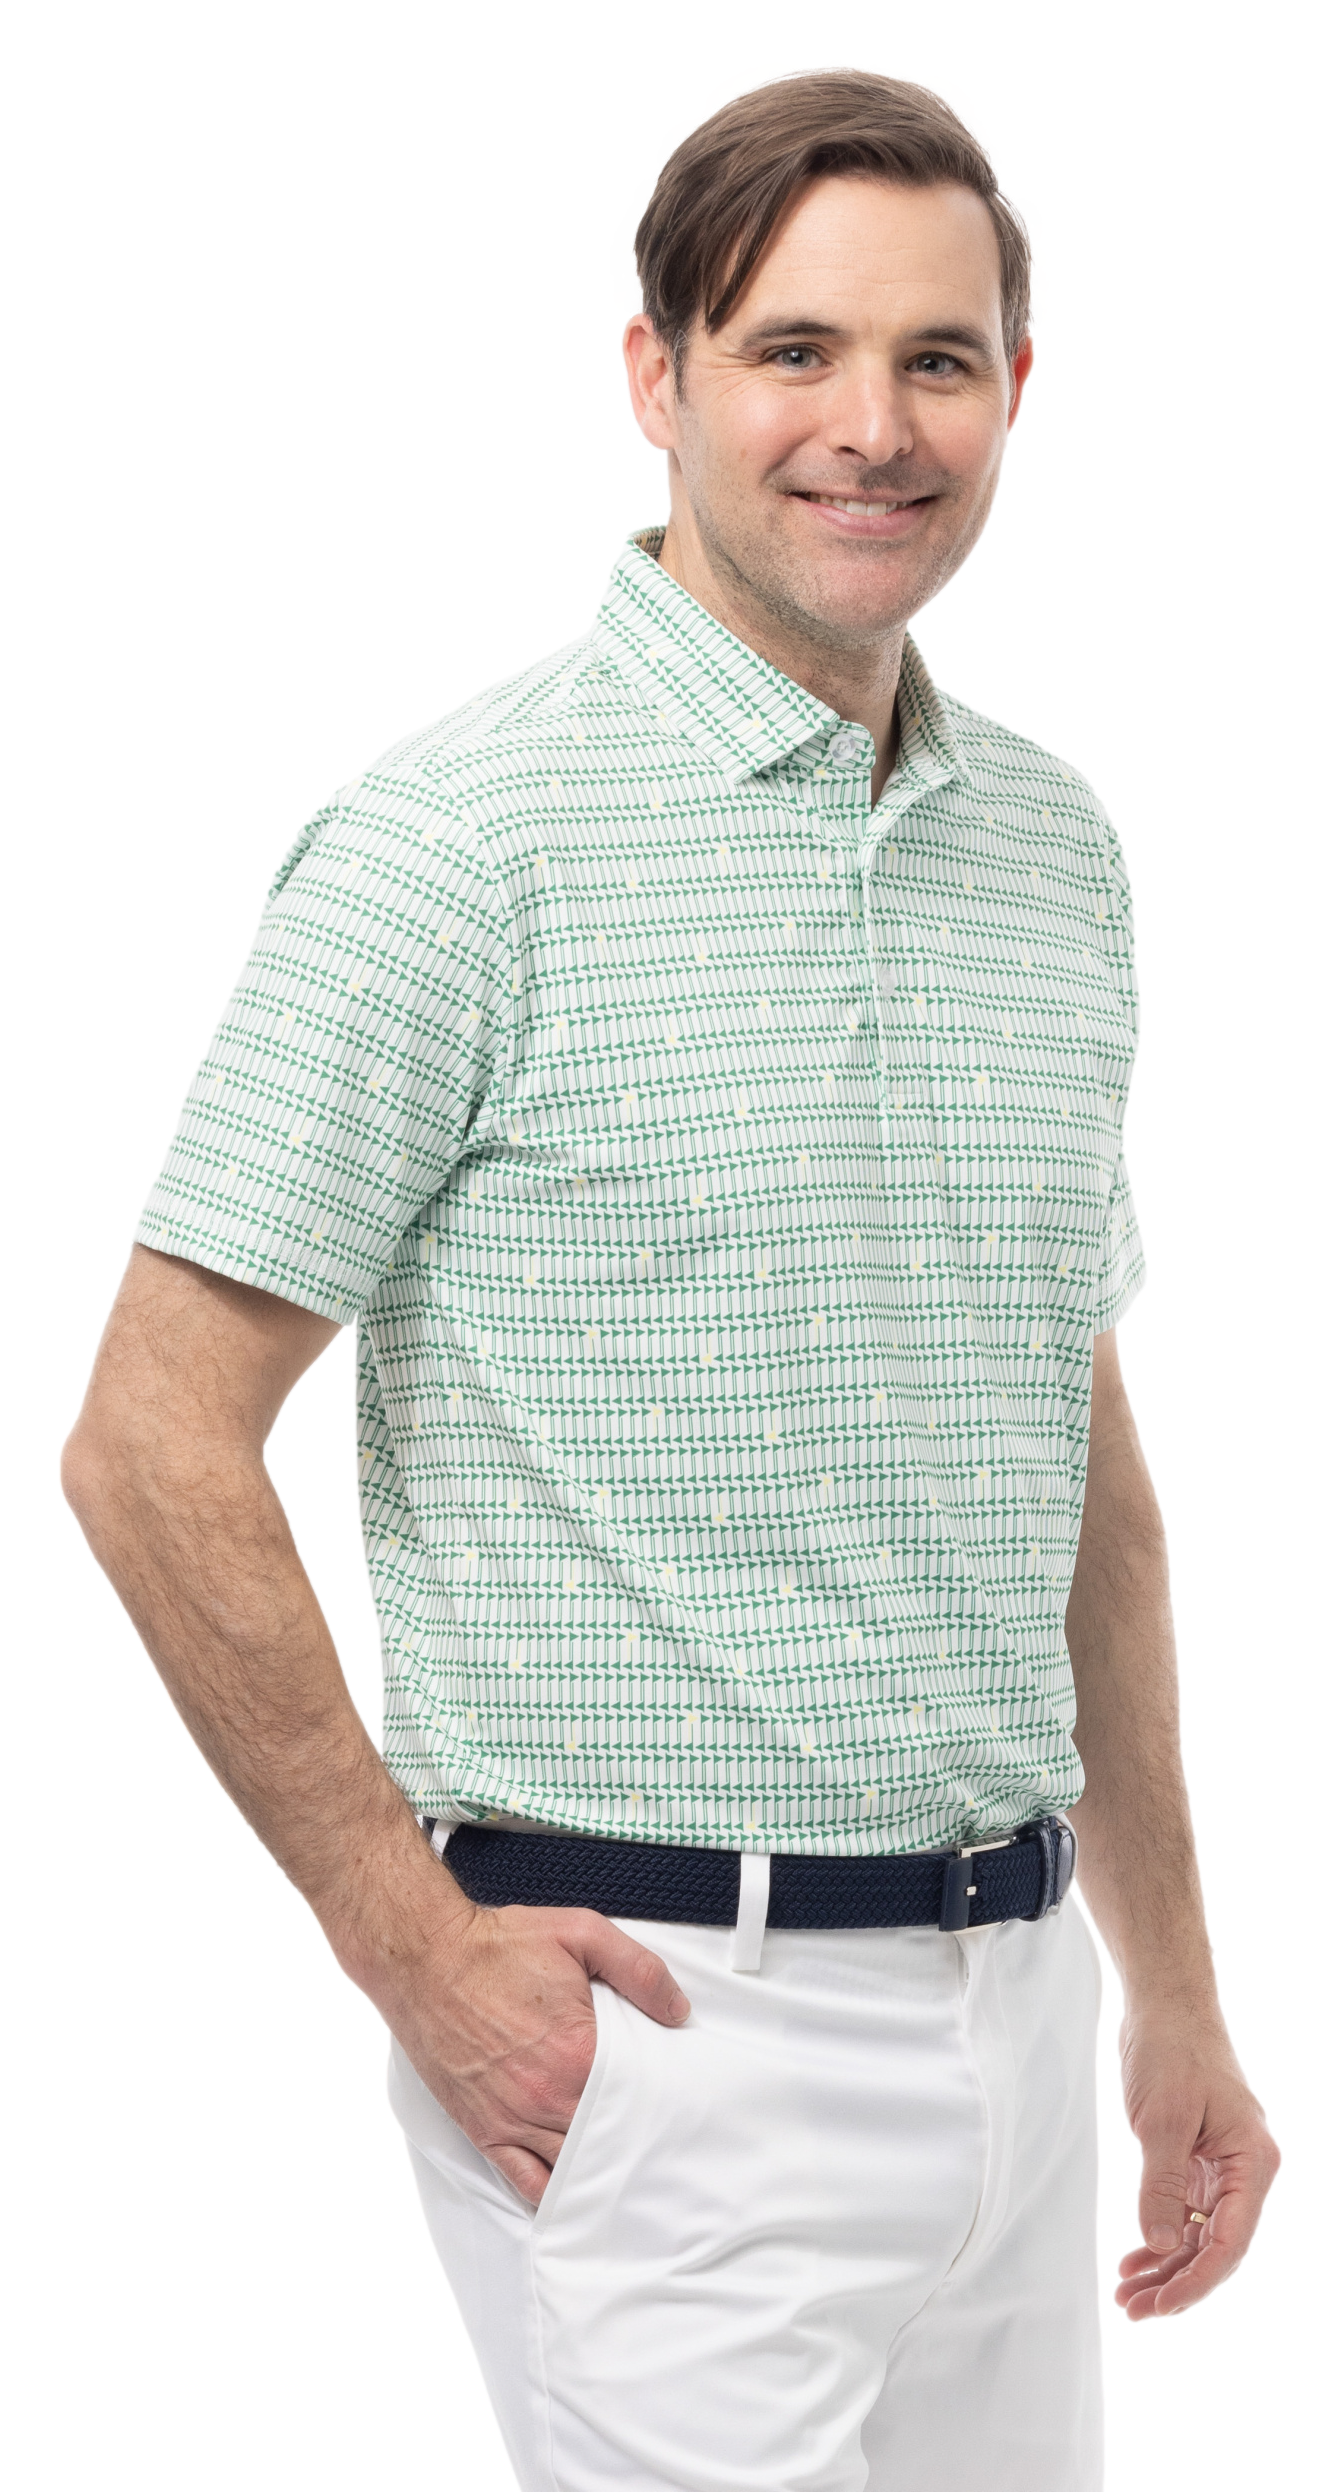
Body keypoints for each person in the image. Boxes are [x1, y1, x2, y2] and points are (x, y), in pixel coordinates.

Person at [58, 61, 1280, 2492]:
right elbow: (148, 1438)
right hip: (655, 2024)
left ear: (1017, 387)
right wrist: (408, 1946)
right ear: (652, 369)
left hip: (1022, 2009)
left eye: (939, 358)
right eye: (792, 349)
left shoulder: (1057, 848)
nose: (874, 426)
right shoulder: (455, 844)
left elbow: (1074, 1460)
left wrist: (1170, 1990)